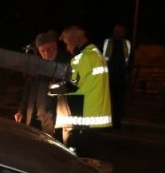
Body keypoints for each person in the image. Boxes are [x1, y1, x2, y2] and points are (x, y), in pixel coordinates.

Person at [55, 25, 112, 156]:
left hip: (84, 116)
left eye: (67, 44)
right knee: (90, 154)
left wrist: (52, 89)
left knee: (81, 156)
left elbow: (71, 85)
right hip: (94, 114)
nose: (68, 48)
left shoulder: (82, 58)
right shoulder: (96, 54)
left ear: (75, 40)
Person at [14, 31, 62, 138]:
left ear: (55, 46)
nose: (46, 53)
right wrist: (21, 110)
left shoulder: (61, 66)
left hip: (50, 117)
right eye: (42, 50)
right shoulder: (36, 67)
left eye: (48, 49)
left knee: (48, 146)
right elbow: (27, 90)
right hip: (32, 116)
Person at [101, 24, 132, 129]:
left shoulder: (127, 44)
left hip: (120, 78)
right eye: (117, 30)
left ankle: (116, 123)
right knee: (108, 101)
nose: (118, 33)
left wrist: (128, 74)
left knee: (118, 102)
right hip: (108, 77)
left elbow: (130, 61)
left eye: (121, 31)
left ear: (124, 32)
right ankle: (108, 123)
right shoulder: (107, 42)